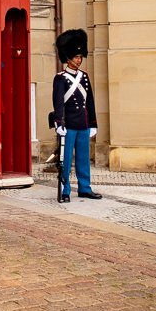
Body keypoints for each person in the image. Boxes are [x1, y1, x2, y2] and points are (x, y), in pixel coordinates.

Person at [52, 29, 101, 202]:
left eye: (80, 57)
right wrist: (58, 123)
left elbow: (90, 102)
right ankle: (65, 190)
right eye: (76, 57)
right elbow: (58, 103)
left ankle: (84, 188)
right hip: (69, 125)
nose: (79, 60)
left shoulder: (84, 77)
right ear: (68, 58)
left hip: (83, 124)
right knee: (65, 161)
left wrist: (93, 123)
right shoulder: (60, 78)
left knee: (83, 159)